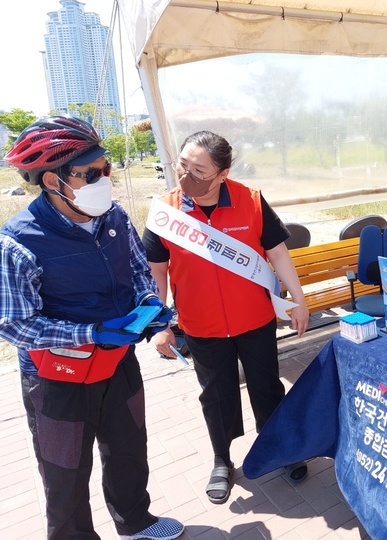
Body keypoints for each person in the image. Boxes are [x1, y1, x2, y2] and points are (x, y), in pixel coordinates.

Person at [0, 115, 184, 540]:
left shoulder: (112, 216)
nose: (107, 178)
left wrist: (150, 303)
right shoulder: (18, 242)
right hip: (57, 377)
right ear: (52, 180)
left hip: (117, 361)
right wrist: (91, 333)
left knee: (128, 448)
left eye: (107, 168)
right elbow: (14, 326)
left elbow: (138, 269)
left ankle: (136, 521)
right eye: (93, 173)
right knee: (64, 468)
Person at [142, 130, 310, 505]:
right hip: (201, 326)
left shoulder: (250, 201)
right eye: (182, 165)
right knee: (215, 396)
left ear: (222, 174)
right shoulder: (165, 213)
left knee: (266, 386)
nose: (187, 175)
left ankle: (277, 446)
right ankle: (222, 459)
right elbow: (156, 273)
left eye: (199, 169)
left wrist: (298, 299)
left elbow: (278, 253)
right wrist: (160, 325)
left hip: (254, 319)